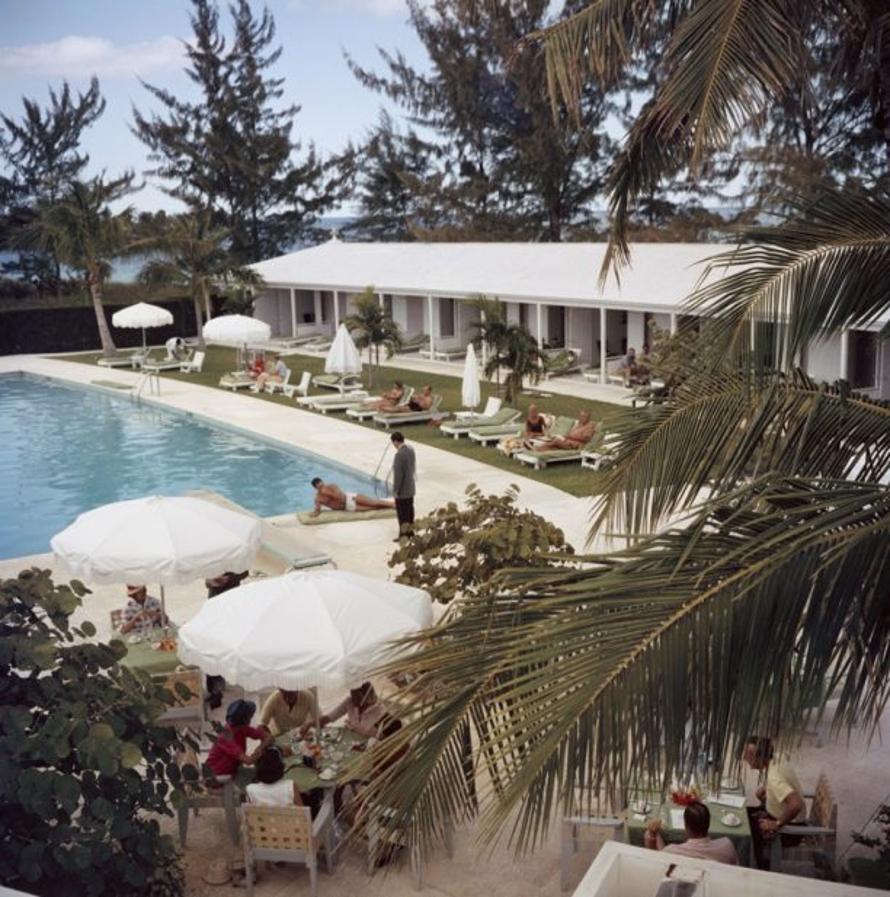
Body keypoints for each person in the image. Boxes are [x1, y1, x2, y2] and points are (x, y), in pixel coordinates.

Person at [743, 736, 807, 868]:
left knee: (748, 830)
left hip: (791, 830)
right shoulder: (778, 757)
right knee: (744, 814)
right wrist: (768, 789)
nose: (745, 758)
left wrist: (776, 824)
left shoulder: (774, 777)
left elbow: (796, 804)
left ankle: (761, 866)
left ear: (761, 758)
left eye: (749, 755)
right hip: (779, 814)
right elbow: (784, 775)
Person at [203, 571, 248, 709]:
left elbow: (244, 571)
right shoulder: (212, 556)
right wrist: (211, 580)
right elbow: (206, 580)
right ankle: (215, 688)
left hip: (231, 604)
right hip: (214, 605)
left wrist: (228, 579)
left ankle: (225, 677)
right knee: (211, 646)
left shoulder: (234, 553)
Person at [644, 801, 739, 865]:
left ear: (686, 826)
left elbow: (655, 860)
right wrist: (656, 835)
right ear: (709, 824)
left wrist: (652, 834)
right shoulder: (727, 846)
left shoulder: (672, 851)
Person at [206, 699, 273, 778]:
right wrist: (259, 752)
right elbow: (248, 761)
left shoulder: (242, 727)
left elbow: (269, 737)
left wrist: (259, 748)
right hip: (217, 776)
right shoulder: (226, 738)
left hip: (233, 769)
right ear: (247, 720)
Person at [319, 682, 385, 739]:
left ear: (365, 697)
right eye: (352, 694)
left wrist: (354, 727)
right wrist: (315, 723)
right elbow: (331, 716)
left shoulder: (381, 712)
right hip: (351, 741)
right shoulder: (350, 701)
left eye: (356, 697)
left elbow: (382, 737)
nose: (352, 699)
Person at [309, 477, 395, 516]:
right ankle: (389, 506)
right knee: (372, 508)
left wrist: (328, 493)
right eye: (319, 487)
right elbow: (317, 510)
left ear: (323, 482)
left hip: (350, 497)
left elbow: (339, 496)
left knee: (372, 502)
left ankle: (393, 504)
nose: (322, 487)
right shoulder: (318, 498)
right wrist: (315, 513)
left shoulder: (332, 486)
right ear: (316, 488)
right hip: (348, 507)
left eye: (322, 484)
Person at [391, 431, 416, 541]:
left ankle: (403, 535)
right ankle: (411, 532)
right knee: (410, 512)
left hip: (403, 491)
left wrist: (396, 490)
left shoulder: (399, 455)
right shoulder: (411, 451)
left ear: (396, 442)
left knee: (402, 514)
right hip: (410, 487)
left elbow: (398, 475)